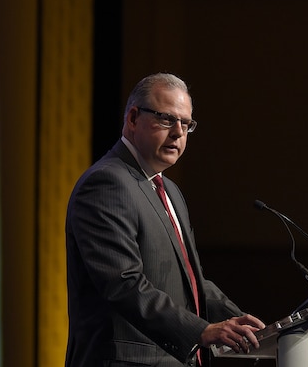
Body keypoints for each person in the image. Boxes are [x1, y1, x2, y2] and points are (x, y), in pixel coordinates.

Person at [65, 72, 265, 366]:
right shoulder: (106, 183)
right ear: (133, 118)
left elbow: (190, 282)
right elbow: (123, 284)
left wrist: (239, 322)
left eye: (186, 124)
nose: (178, 133)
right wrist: (202, 330)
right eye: (167, 119)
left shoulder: (169, 191)